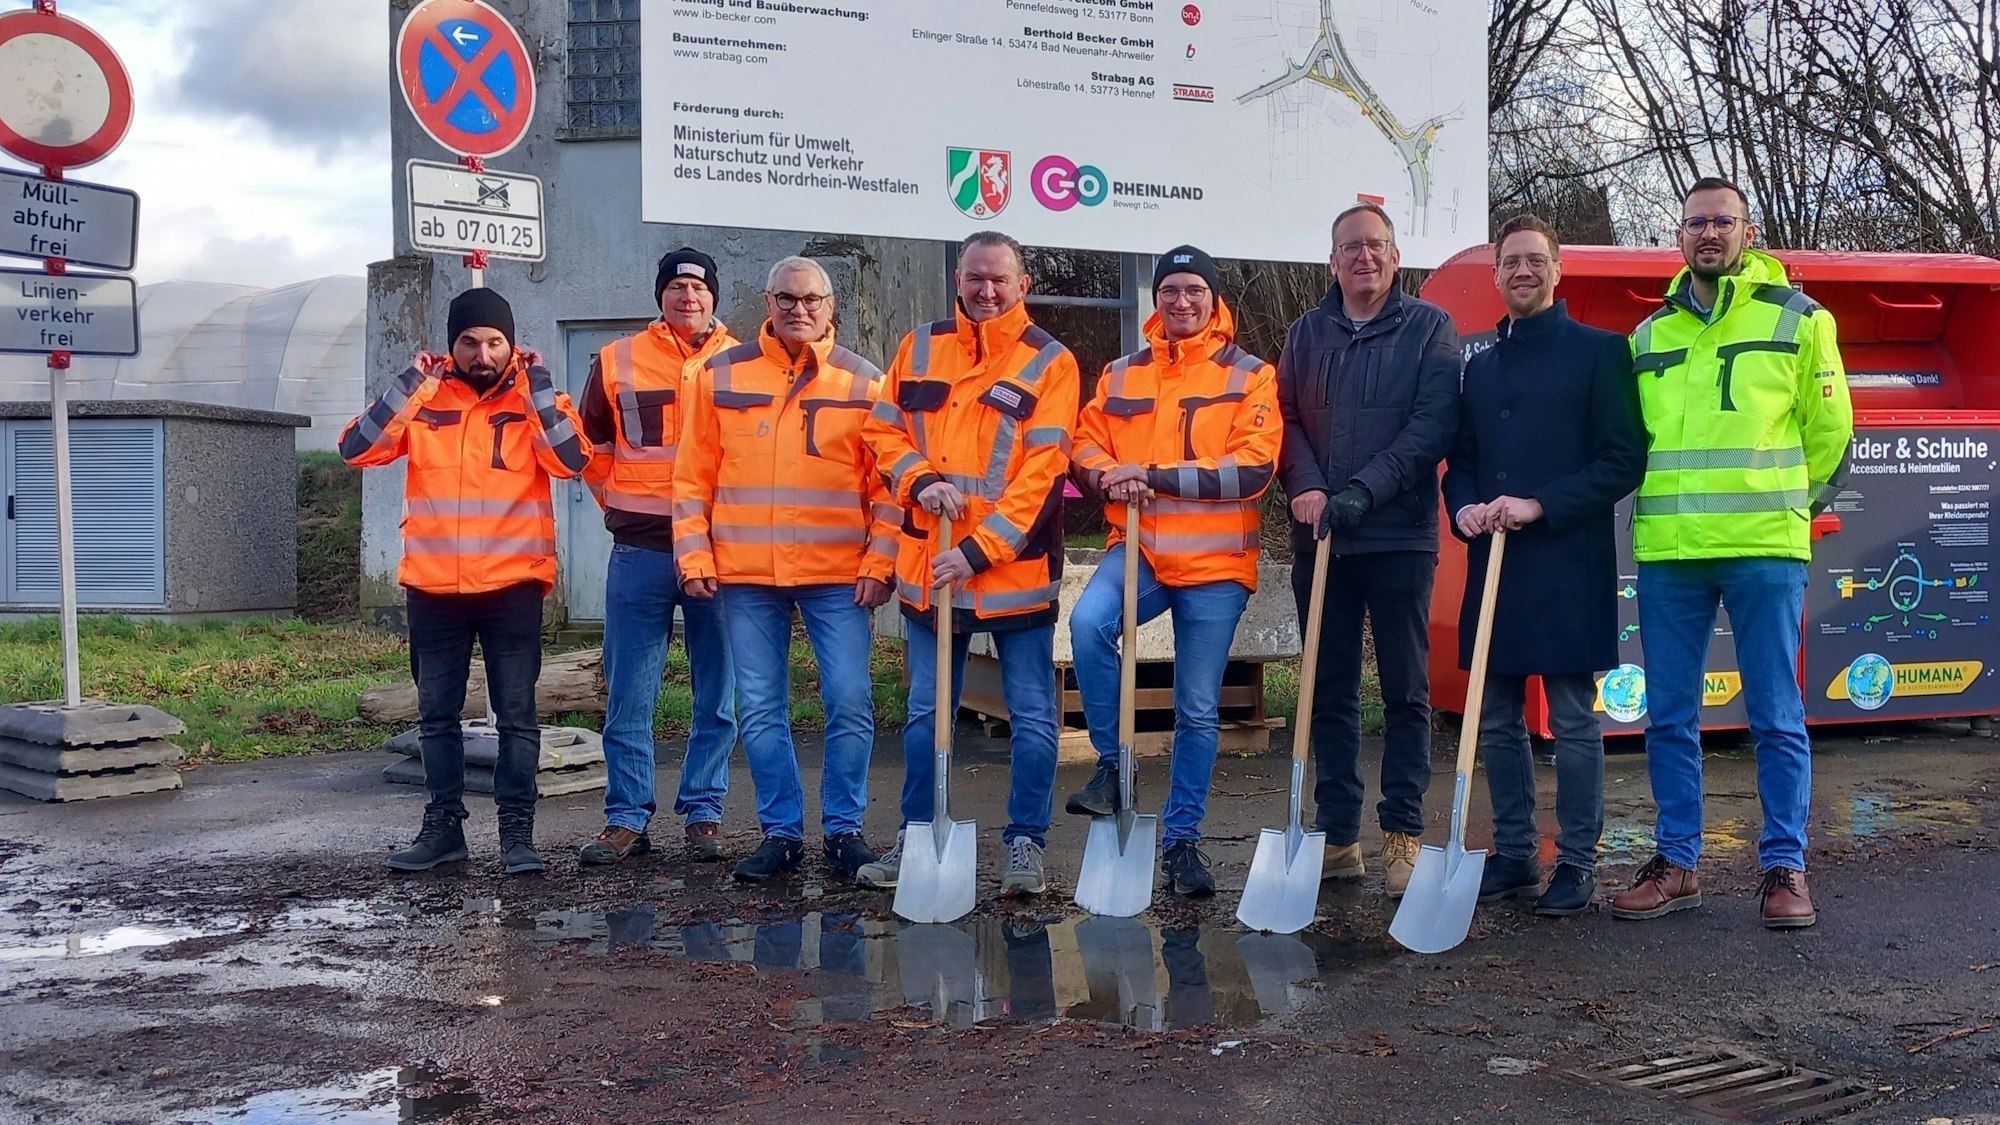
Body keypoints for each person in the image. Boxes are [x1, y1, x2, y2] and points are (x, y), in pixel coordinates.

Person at [1609, 177, 1852, 930]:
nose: (1708, 233)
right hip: (1672, 554)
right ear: (1677, 236)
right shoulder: (1647, 338)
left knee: (1777, 714)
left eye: (1722, 221)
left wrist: (1793, 509)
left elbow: (1832, 431)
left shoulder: (1801, 319)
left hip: (1763, 551)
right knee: (1671, 716)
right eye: (1694, 223)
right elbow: (1626, 444)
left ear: (1749, 231)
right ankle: (1678, 862)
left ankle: (1785, 867)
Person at [856, 230, 1081, 898]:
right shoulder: (919, 346)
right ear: (959, 278)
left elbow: (1042, 475)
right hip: (931, 568)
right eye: (975, 278)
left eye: (999, 280)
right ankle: (918, 835)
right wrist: (920, 480)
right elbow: (881, 429)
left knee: (1035, 716)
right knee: (927, 714)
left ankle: (1025, 847)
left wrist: (978, 549)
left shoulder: (1050, 361)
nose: (986, 291)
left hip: (1012, 572)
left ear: (1023, 284)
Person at [339, 287, 591, 875]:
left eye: (494, 342)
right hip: (434, 587)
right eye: (470, 342)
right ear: (452, 345)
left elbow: (571, 460)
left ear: (512, 344)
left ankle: (517, 837)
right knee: (436, 716)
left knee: (518, 716)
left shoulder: (534, 396)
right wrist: (407, 386)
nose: (483, 354)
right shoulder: (424, 398)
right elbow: (355, 448)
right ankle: (444, 828)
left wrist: (541, 389)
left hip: (511, 586)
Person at [1441, 215, 1646, 916]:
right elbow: (1461, 460)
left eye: (1535, 260)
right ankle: (1517, 852)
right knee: (1495, 717)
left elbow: (1624, 459)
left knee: (1570, 717)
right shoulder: (1482, 364)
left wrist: (1540, 505)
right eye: (1510, 262)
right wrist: (1463, 507)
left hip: (1566, 560)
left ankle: (1578, 862)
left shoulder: (1600, 352)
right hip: (1494, 562)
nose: (1522, 272)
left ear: (1557, 271)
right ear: (1496, 275)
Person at [1063, 245, 1281, 897]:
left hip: (1216, 566)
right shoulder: (1124, 373)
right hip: (1141, 550)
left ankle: (1183, 842)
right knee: (1088, 623)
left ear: (1215, 301)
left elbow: (1253, 468)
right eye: (1170, 291)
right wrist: (1104, 474)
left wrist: (1151, 475)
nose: (1181, 301)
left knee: (1196, 707)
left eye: (1194, 290)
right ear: (1155, 300)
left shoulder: (1250, 374)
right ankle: (1114, 766)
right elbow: (1082, 442)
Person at [672, 255, 896, 884]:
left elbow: (887, 490)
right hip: (746, 573)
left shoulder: (864, 383)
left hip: (839, 573)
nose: (800, 310)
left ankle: (845, 832)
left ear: (831, 307)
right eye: (787, 299)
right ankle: (781, 834)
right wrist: (693, 555)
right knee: (761, 707)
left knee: (850, 701)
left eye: (812, 300)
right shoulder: (719, 374)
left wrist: (882, 562)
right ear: (766, 302)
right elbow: (692, 477)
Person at [1275, 202, 1461, 898]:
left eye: (1376, 246)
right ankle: (1339, 833)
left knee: (1407, 690)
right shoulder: (1305, 333)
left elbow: (1432, 424)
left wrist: (1363, 489)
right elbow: (1285, 418)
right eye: (1351, 247)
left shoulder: (1428, 329)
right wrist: (1310, 485)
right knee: (1329, 687)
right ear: (1333, 260)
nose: (1364, 257)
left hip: (1397, 535)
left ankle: (1402, 833)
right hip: (1320, 538)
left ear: (1394, 255)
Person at [575, 248, 739, 866]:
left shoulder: (744, 362)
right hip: (640, 551)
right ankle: (625, 819)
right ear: (660, 296)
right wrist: (616, 504)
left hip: (719, 553)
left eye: (698, 286)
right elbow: (588, 443)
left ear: (714, 296)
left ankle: (704, 815)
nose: (687, 296)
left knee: (717, 691)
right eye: (676, 286)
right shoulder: (617, 360)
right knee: (629, 692)